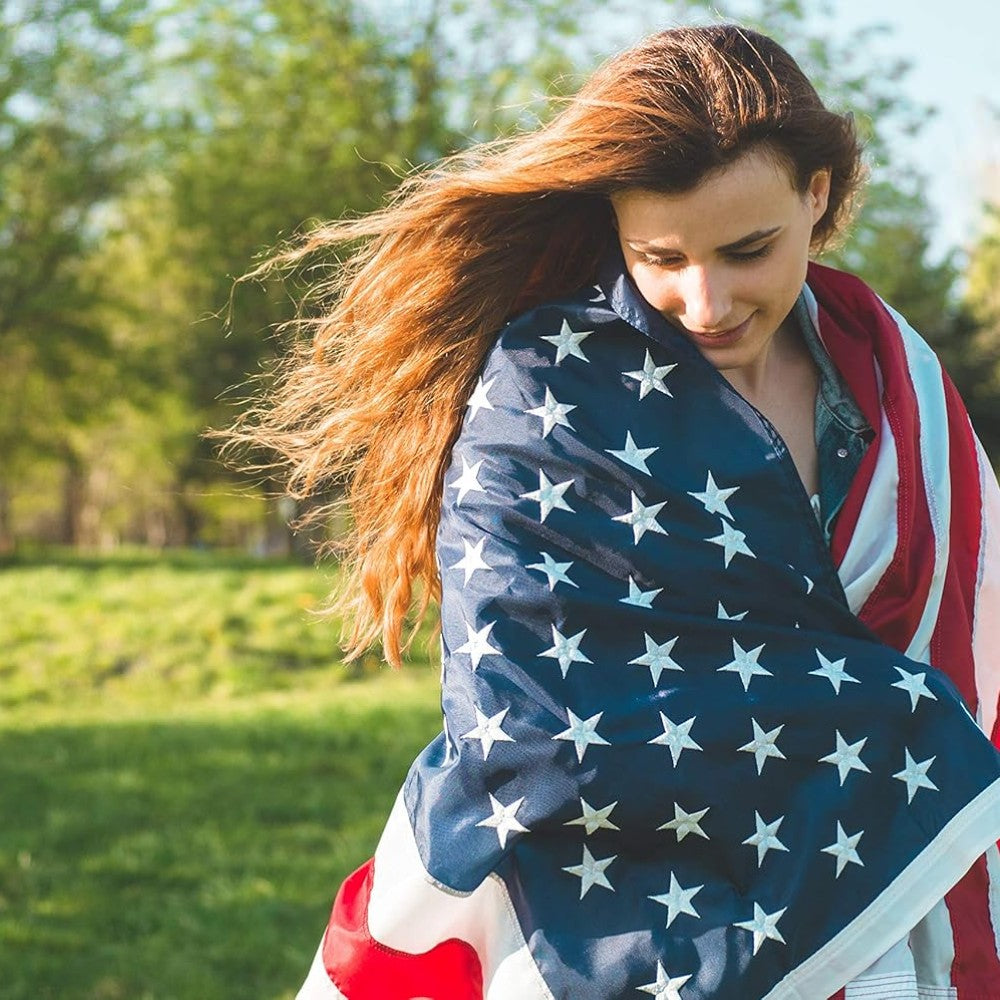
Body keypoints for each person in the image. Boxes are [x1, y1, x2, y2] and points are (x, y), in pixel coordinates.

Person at [222, 23, 1000, 1000]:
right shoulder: (544, 393)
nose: (705, 299)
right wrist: (893, 718)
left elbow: (975, 623)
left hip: (889, 887)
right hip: (605, 901)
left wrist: (901, 729)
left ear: (816, 194)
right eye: (660, 255)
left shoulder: (897, 373)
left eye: (746, 249)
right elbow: (528, 708)